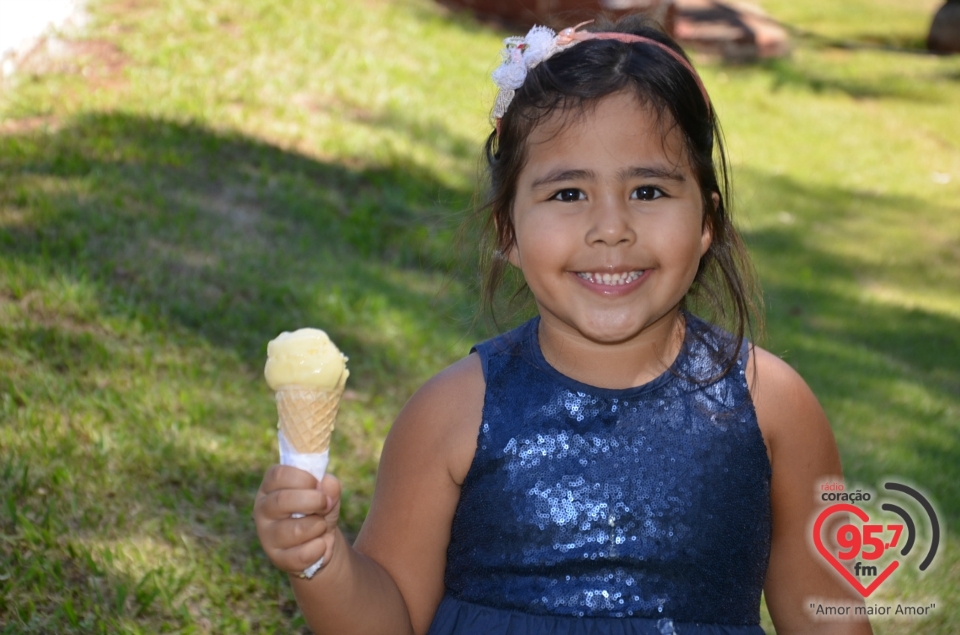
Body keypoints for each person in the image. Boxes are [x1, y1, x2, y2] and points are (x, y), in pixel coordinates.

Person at [254, 15, 872, 635]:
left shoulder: (772, 407)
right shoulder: (451, 413)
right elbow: (388, 623)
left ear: (707, 221)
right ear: (508, 233)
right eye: (568, 194)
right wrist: (321, 562)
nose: (611, 227)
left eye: (650, 191)